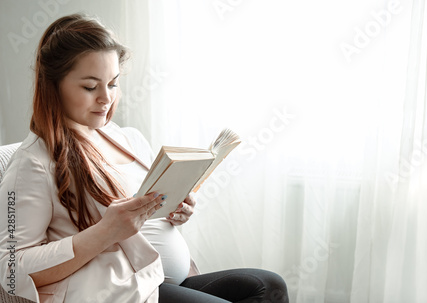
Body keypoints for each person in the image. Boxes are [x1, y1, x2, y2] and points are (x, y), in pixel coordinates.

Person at [0, 13, 288, 303]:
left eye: (112, 84)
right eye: (90, 87)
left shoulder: (125, 138)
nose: (105, 98)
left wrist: (173, 209)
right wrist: (105, 232)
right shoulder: (31, 164)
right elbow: (10, 270)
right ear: (53, 85)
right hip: (120, 291)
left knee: (268, 285)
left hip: (161, 279)